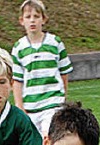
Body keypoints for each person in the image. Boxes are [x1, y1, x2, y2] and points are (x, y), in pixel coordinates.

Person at [12, 0, 73, 137]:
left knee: (49, 138)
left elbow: (64, 73)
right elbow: (17, 80)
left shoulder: (55, 43)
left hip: (52, 103)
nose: (32, 21)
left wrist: (62, 97)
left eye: (36, 16)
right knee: (34, 144)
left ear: (43, 19)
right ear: (22, 21)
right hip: (31, 107)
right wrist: (19, 106)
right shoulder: (19, 48)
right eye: (28, 17)